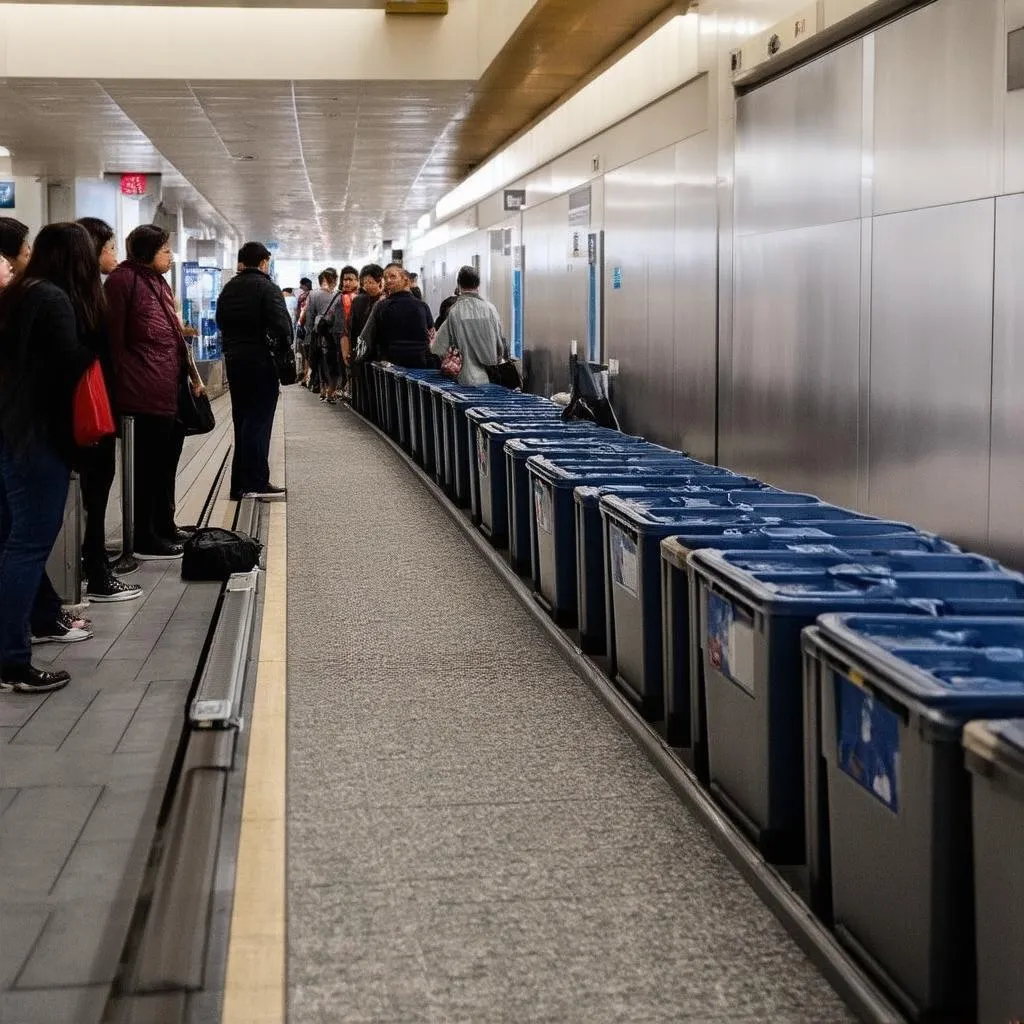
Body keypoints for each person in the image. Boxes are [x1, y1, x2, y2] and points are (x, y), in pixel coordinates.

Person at [0, 224, 105, 692]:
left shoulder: (20, 293)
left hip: (11, 430)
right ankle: (11, 661)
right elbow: (69, 366)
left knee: (14, 538)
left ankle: (33, 628)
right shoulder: (55, 300)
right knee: (27, 545)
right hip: (37, 436)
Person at [105, 225, 205, 560]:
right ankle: (144, 534)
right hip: (140, 391)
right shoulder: (123, 282)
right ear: (147, 252)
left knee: (165, 463)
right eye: (165, 250)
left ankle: (164, 523)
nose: (171, 256)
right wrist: (119, 389)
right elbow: (114, 342)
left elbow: (174, 335)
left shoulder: (156, 282)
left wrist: (190, 375)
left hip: (166, 390)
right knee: (146, 468)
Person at [75, 217, 143, 601]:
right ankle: (96, 571)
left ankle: (92, 563)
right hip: (92, 411)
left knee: (95, 491)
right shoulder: (81, 299)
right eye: (111, 248)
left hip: (94, 407)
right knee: (95, 489)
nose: (115, 256)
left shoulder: (84, 293)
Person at [216, 242, 292, 500]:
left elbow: (219, 322)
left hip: (235, 362)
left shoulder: (229, 288)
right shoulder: (267, 287)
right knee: (259, 422)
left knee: (243, 421)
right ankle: (255, 481)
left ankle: (241, 483)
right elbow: (283, 327)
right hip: (260, 362)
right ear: (263, 262)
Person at [431, 265, 506, 385]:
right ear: (478, 284)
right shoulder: (491, 309)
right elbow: (500, 347)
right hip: (491, 381)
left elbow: (438, 348)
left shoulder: (455, 312)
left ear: (459, 285)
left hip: (465, 380)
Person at [359, 263, 432, 369]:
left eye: (392, 276)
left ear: (405, 279)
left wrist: (358, 360)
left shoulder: (381, 306)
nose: (388, 280)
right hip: (420, 367)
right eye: (385, 278)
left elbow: (366, 339)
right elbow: (432, 337)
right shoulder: (422, 306)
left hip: (391, 367)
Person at [345, 263, 384, 412]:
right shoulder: (359, 301)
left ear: (379, 281)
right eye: (365, 282)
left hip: (378, 352)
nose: (367, 286)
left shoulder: (385, 301)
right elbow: (352, 328)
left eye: (371, 282)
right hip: (361, 352)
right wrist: (351, 350)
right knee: (361, 386)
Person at [300, 268, 342, 401]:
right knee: (332, 361)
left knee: (319, 360)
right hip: (334, 334)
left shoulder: (313, 295)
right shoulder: (339, 296)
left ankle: (323, 389)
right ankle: (331, 390)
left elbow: (310, 316)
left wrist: (310, 333)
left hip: (318, 334)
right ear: (334, 280)